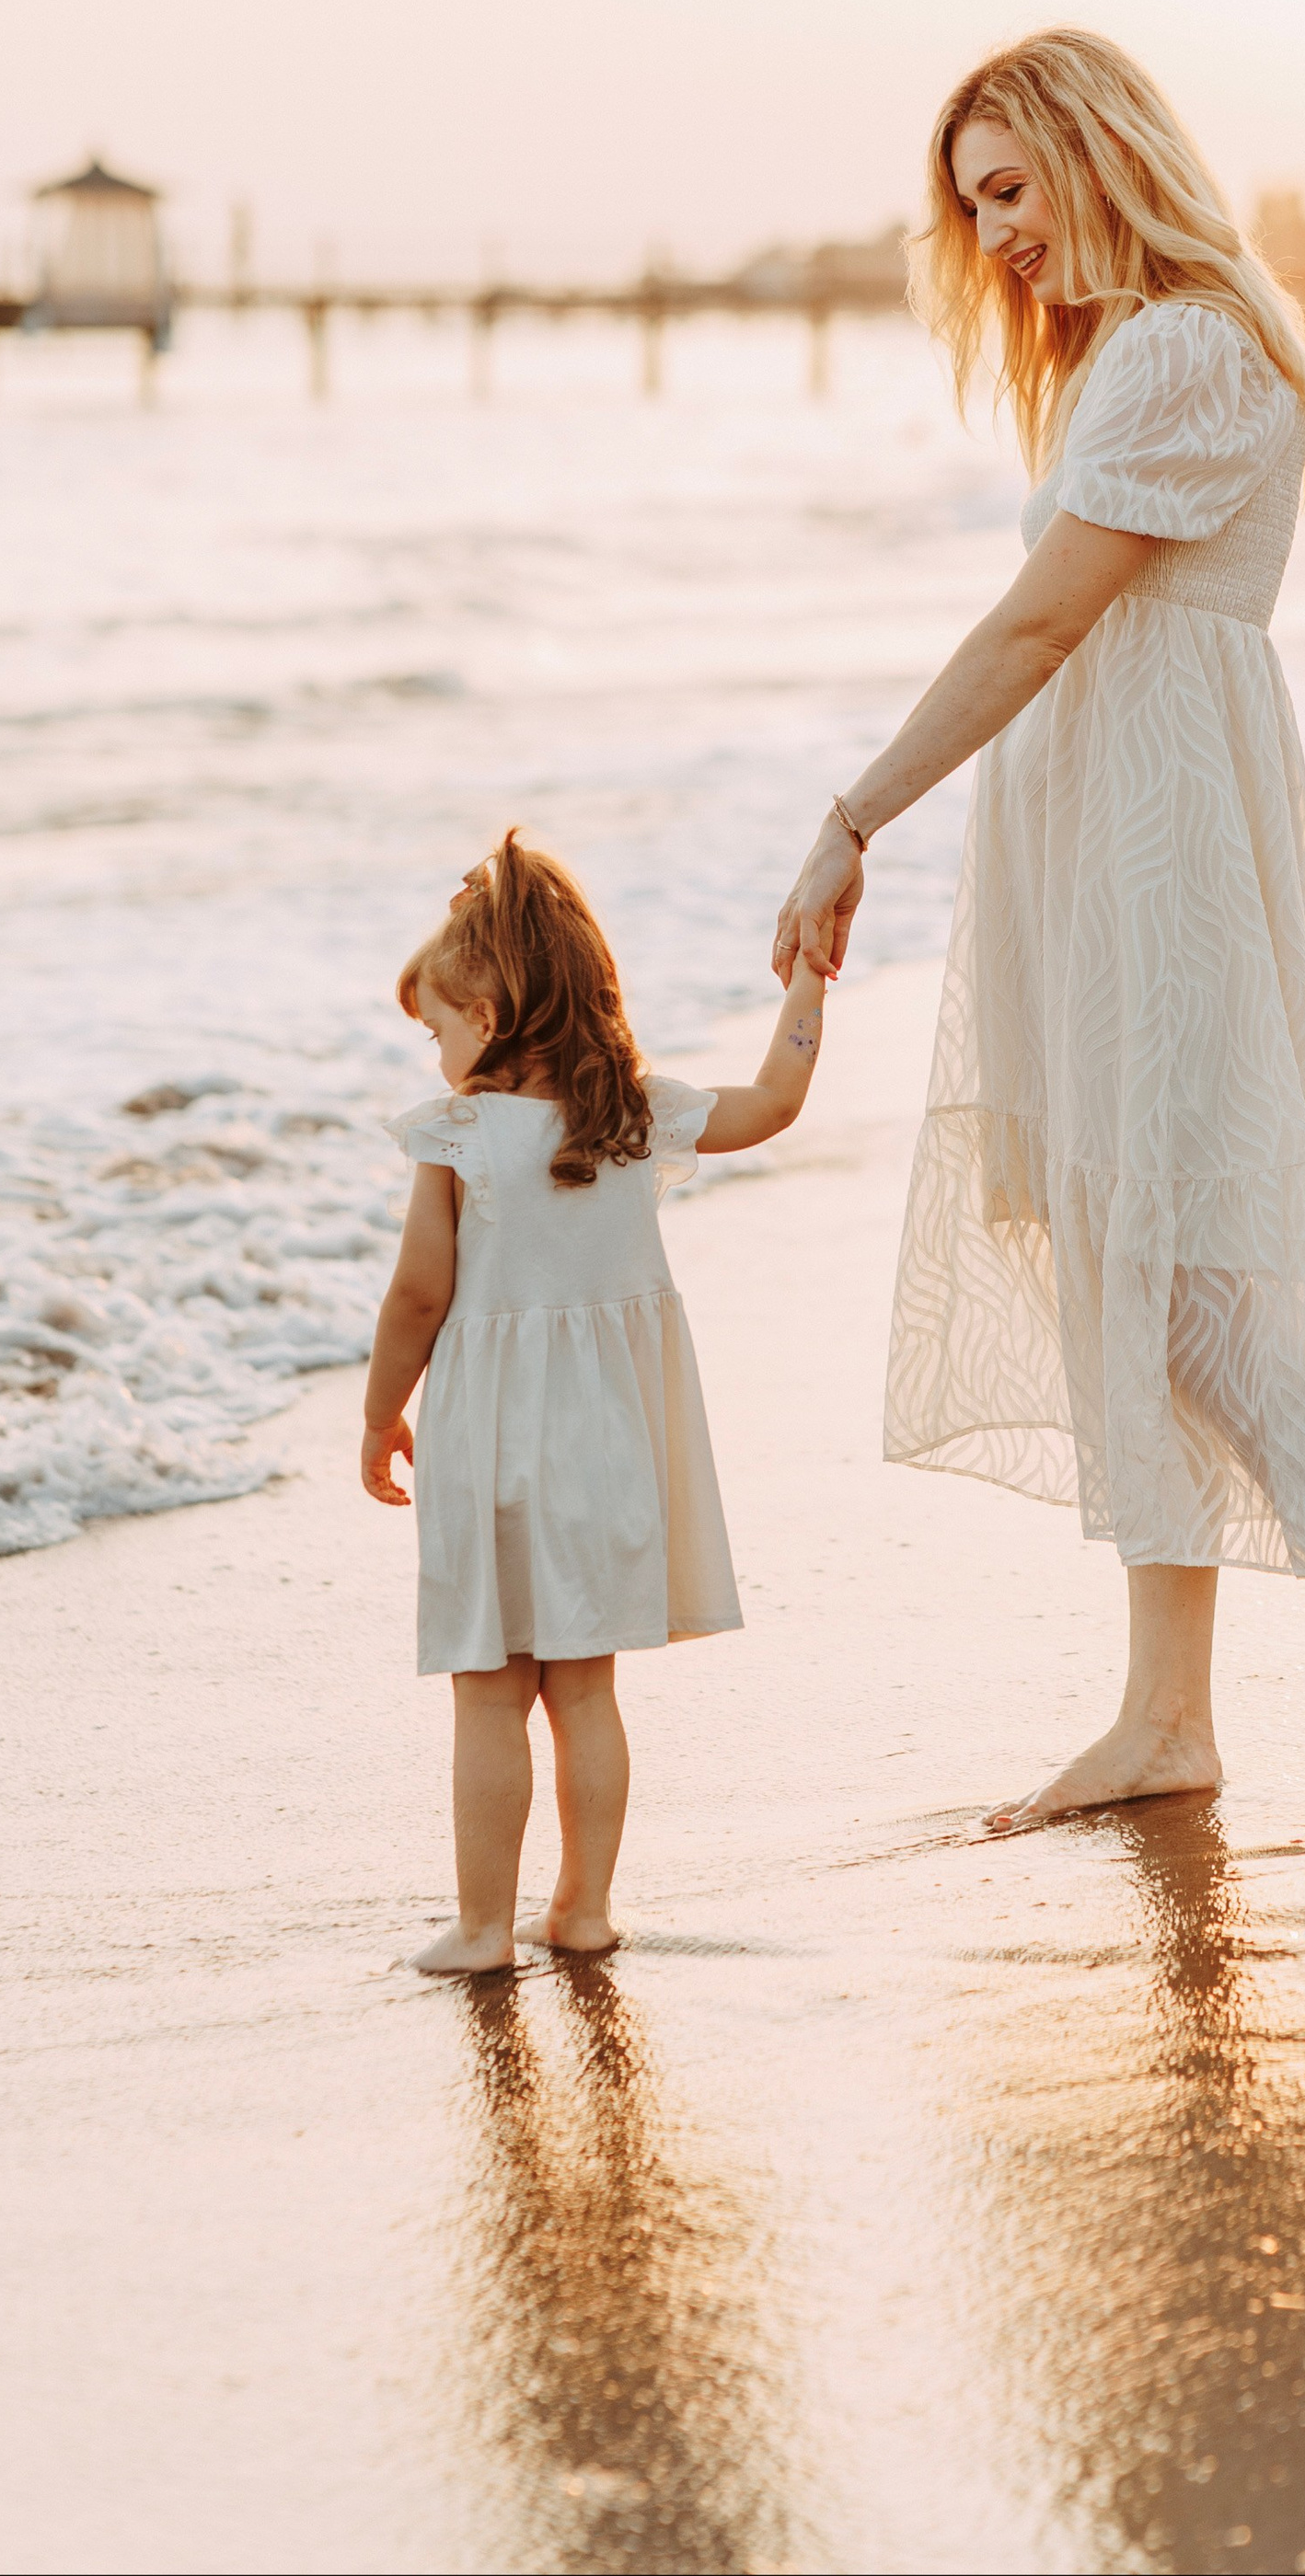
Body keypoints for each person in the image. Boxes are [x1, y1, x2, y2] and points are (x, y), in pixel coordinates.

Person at [772, 29, 1305, 1850]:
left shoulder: (1181, 347)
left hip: (1157, 843)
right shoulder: (1125, 354)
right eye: (970, 208)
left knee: (1196, 1274)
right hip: (1103, 832)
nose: (994, 236)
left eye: (1009, 189)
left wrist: (852, 813)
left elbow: (1033, 632)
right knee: (1129, 1247)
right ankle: (1162, 1714)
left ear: (1099, 153)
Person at [363, 828, 829, 1972]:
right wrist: (811, 977)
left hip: (491, 1446)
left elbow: (420, 1293)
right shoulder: (632, 1113)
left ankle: (481, 1927)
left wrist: (379, 1414)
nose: (435, 1058)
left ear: (495, 1006)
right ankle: (581, 1909)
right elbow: (773, 1100)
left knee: (488, 1692)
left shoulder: (461, 1132)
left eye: (438, 1030)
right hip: (610, 1444)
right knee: (582, 1690)